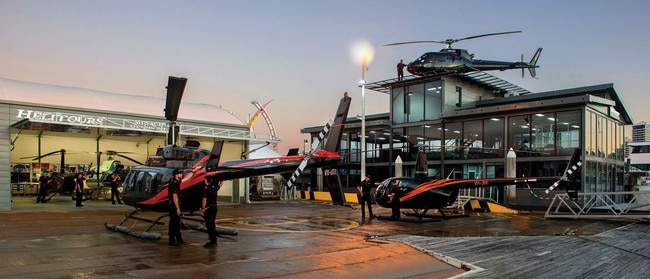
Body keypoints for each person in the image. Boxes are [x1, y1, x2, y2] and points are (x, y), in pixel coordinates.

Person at [201, 177, 223, 248]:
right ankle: (214, 240)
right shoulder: (215, 187)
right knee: (212, 223)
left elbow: (204, 198)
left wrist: (203, 208)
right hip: (214, 208)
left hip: (209, 208)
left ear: (206, 181)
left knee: (209, 225)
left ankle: (212, 241)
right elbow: (220, 185)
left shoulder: (207, 188)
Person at [168, 169, 185, 246]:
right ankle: (172, 240)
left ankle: (178, 239)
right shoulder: (174, 183)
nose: (181, 175)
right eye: (180, 174)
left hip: (174, 204)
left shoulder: (176, 181)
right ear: (176, 175)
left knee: (176, 223)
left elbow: (185, 179)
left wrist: (194, 171)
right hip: (174, 205)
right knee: (173, 223)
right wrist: (177, 208)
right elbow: (175, 197)